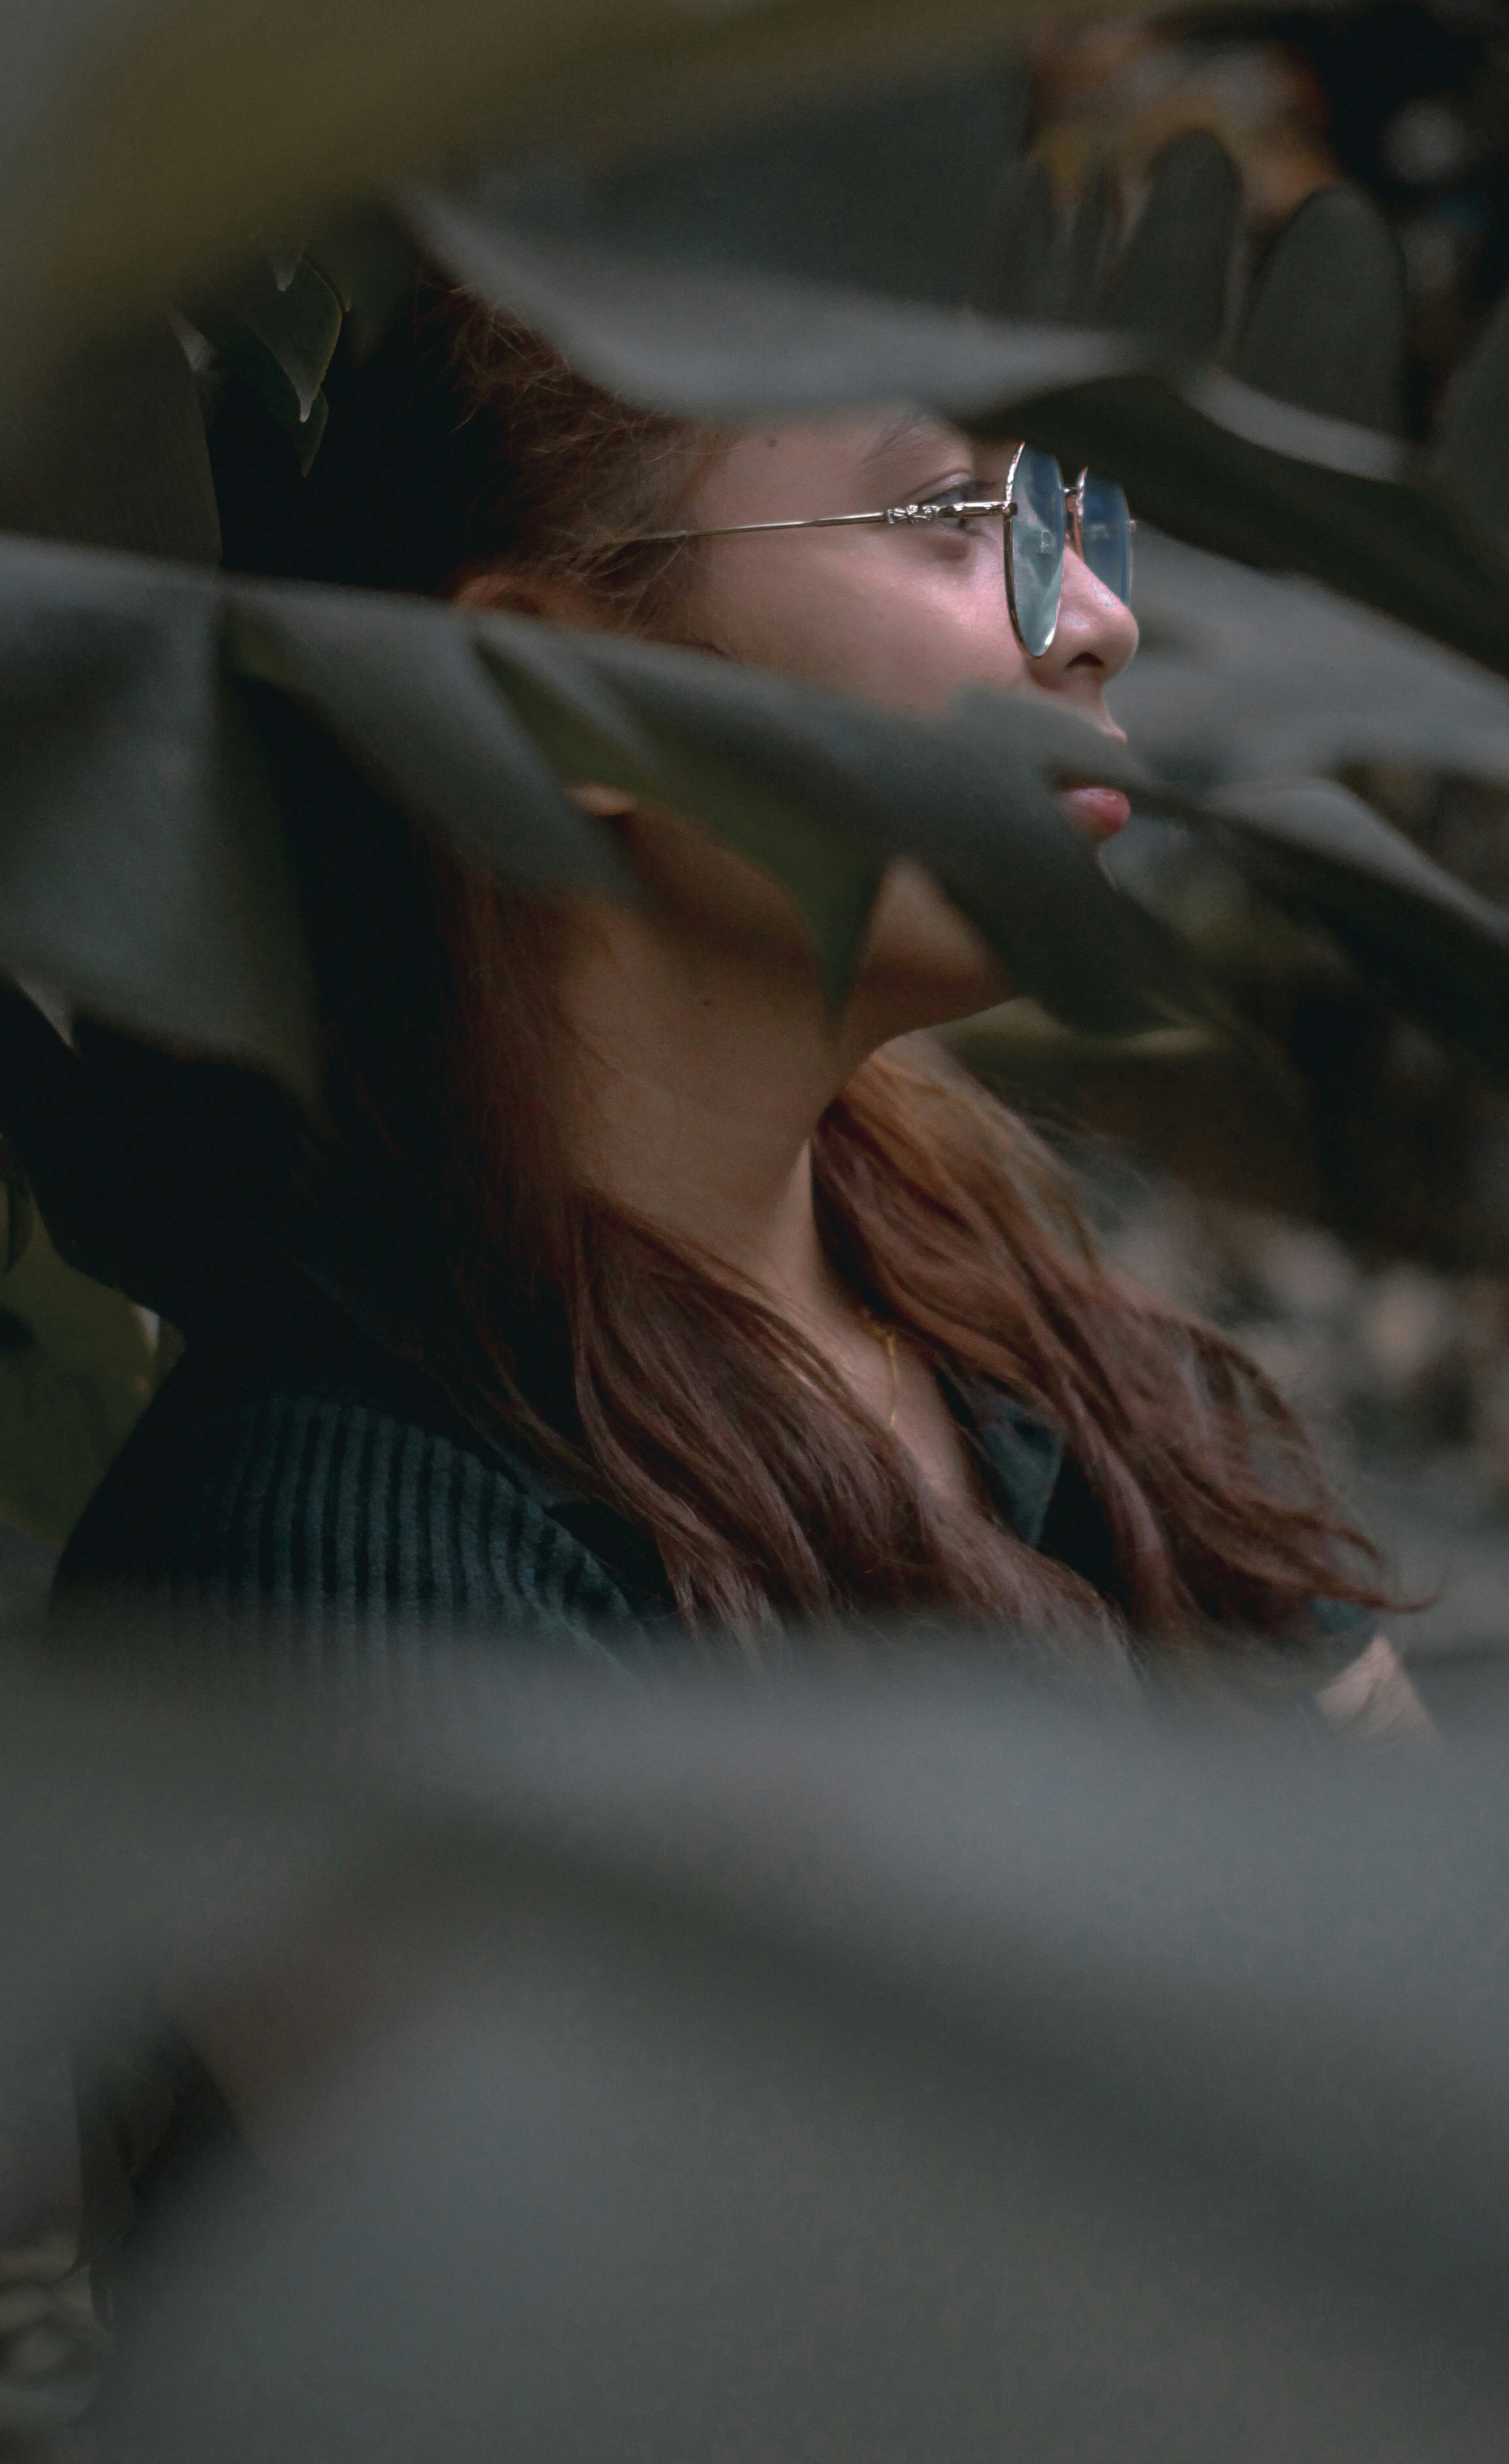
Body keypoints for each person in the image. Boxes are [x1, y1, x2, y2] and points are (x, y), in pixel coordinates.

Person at [57, 277, 1399, 1684]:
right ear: (548, 692)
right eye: (952, 516)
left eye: (1064, 513)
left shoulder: (1080, 1368)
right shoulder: (336, 1578)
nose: (1096, 619)